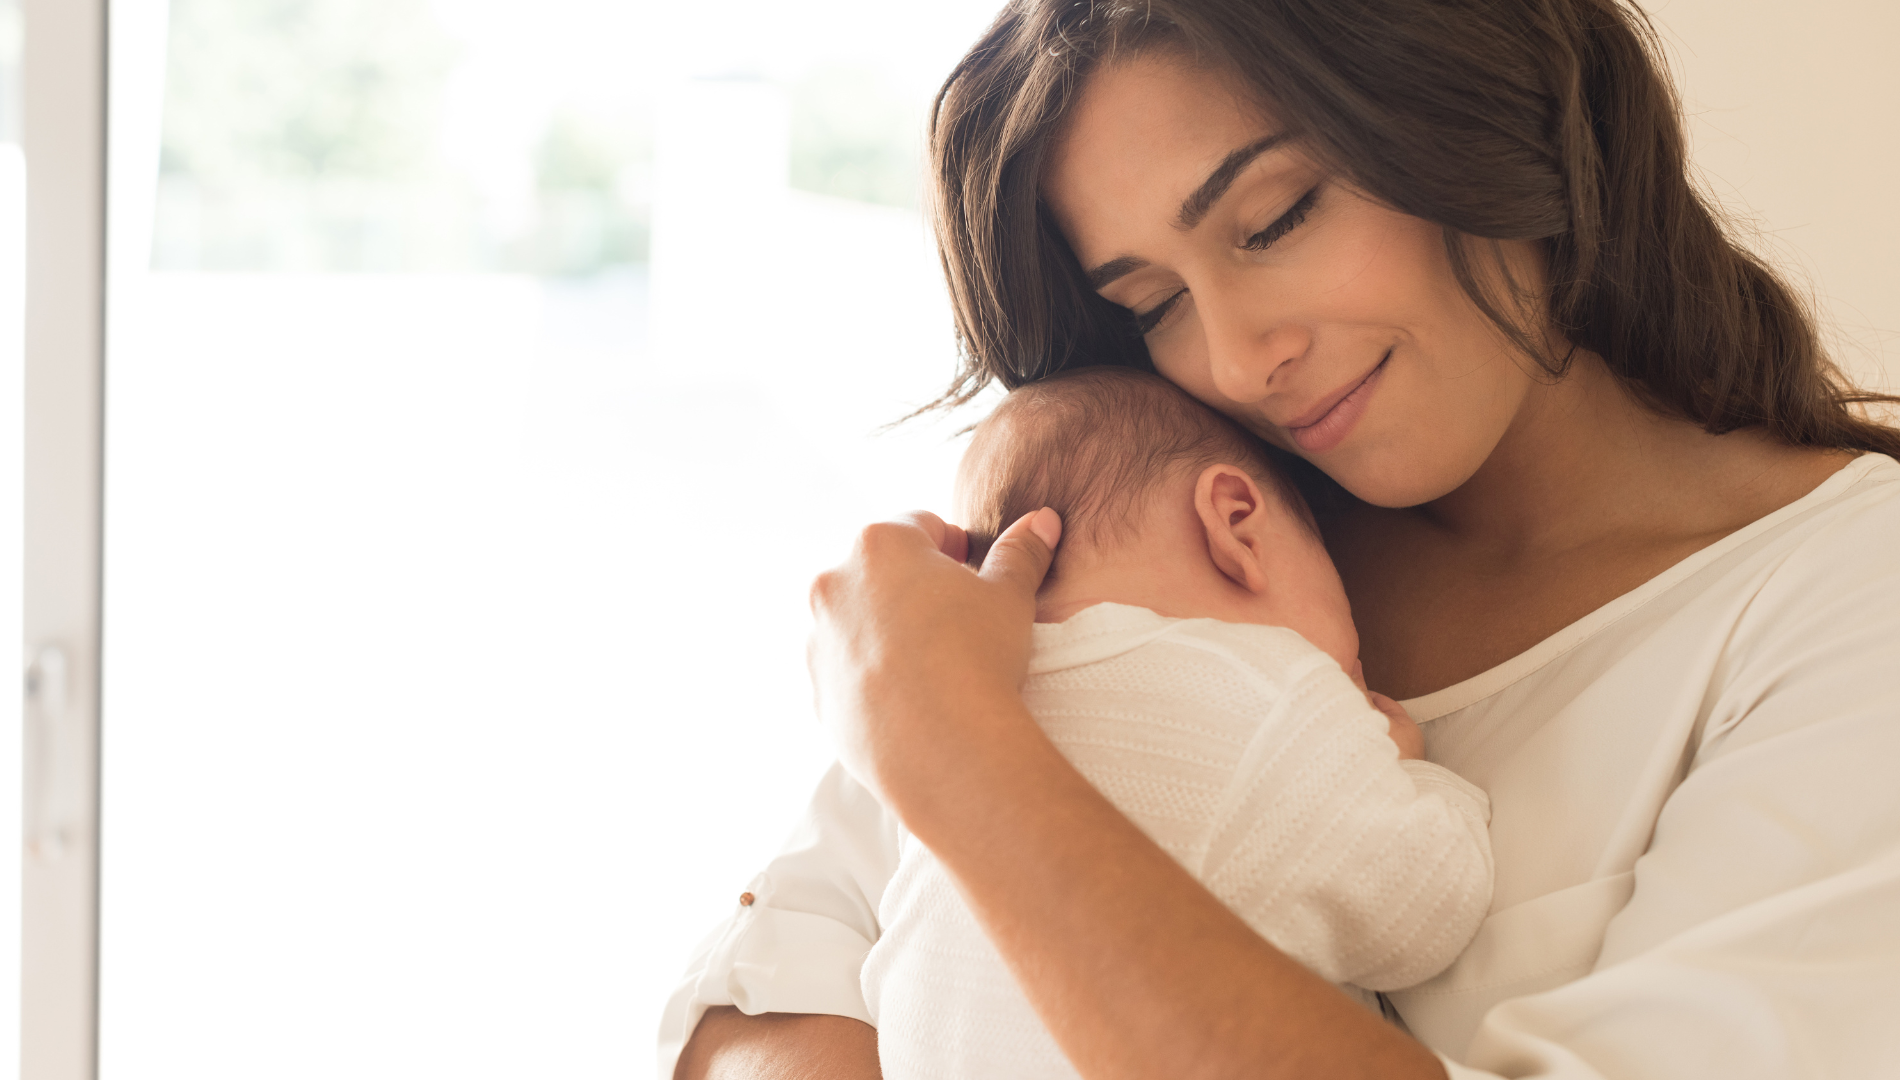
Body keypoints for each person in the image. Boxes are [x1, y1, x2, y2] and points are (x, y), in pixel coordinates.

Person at [674, 1, 1900, 1077]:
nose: (1238, 358)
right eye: (1151, 304)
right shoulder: (1166, 552)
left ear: (1476, 109)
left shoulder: (1844, 601)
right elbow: (751, 1013)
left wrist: (961, 760)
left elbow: (913, 823)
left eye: (1275, 219)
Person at [877, 367, 1490, 1078]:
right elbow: (1424, 911)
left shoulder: (957, 726)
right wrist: (1412, 773)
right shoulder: (1265, 693)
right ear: (1237, 525)